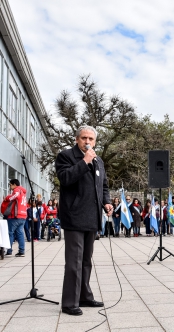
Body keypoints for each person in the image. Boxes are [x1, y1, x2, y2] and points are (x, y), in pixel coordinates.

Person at [55, 125, 113, 316]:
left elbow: (103, 184)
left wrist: (107, 202)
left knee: (86, 260)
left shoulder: (99, 160)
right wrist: (85, 161)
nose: (87, 142)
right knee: (74, 261)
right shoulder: (66, 156)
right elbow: (65, 178)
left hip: (92, 217)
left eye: (91, 139)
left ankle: (84, 296)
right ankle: (69, 302)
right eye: (84, 138)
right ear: (77, 139)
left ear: (95, 141)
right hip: (74, 216)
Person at [1, 179, 27, 257]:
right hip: (23, 215)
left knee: (10, 233)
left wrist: (7, 198)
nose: (10, 186)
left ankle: (9, 250)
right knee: (20, 233)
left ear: (14, 184)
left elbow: (15, 196)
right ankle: (21, 251)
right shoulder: (23, 192)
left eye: (10, 184)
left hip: (15, 216)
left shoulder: (17, 190)